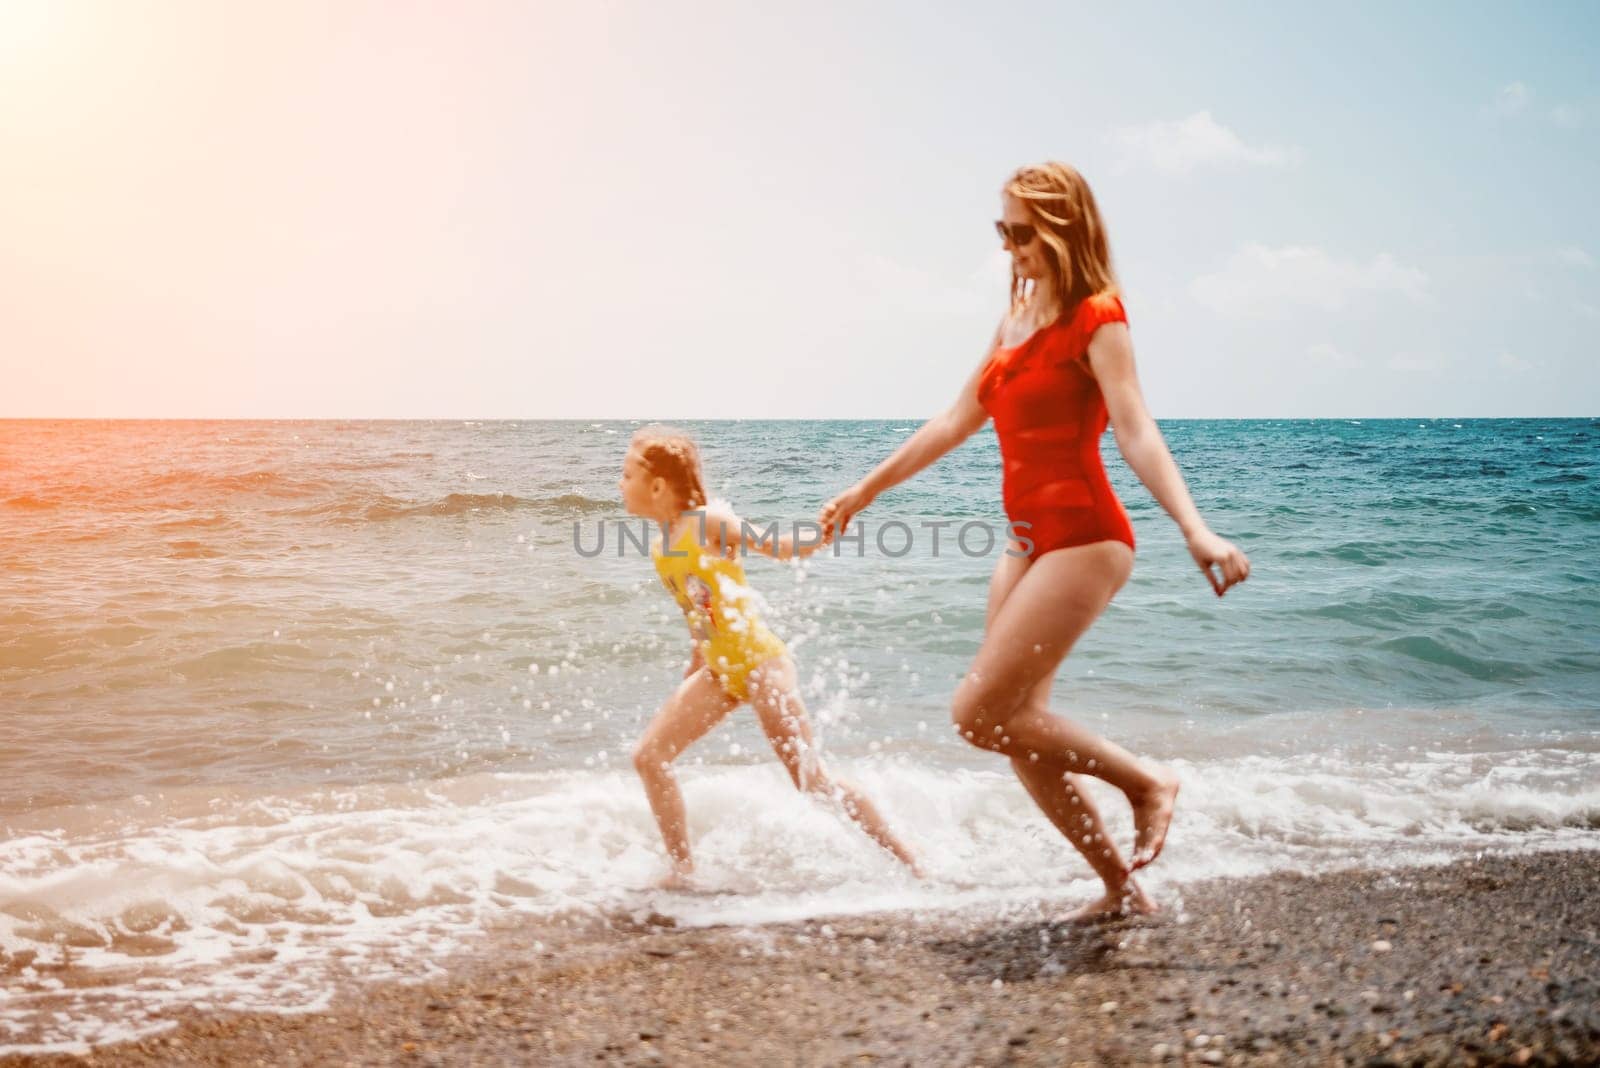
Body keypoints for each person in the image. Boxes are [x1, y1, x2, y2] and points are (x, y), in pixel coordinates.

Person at [818, 163, 1250, 919]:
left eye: (1021, 232)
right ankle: (1122, 891)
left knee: (976, 714)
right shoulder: (1013, 322)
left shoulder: (1098, 317)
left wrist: (1195, 528)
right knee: (1019, 733)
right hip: (1024, 543)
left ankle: (1147, 783)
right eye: (1003, 231)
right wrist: (867, 488)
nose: (1010, 247)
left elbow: (1136, 429)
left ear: (1059, 230)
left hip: (1085, 536)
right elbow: (955, 421)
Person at [619, 426, 921, 888]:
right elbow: (699, 610)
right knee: (649, 756)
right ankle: (683, 870)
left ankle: (911, 864)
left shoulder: (707, 523)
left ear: (657, 485)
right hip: (720, 672)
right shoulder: (662, 546)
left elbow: (777, 547)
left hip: (762, 664)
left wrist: (824, 532)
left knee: (810, 778)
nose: (620, 484)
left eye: (626, 475)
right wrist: (695, 664)